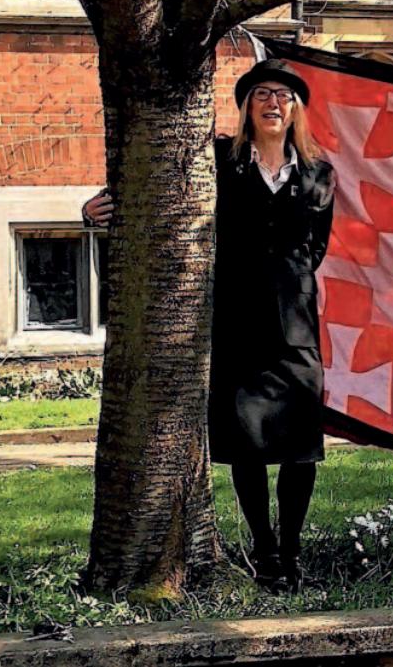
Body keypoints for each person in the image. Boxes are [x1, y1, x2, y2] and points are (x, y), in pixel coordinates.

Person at [84, 59, 335, 590]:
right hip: (235, 324)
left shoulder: (319, 173)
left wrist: (291, 285)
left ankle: (291, 552)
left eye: (284, 96)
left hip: (296, 330)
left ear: (296, 110)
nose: (273, 103)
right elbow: (166, 199)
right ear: (247, 106)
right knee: (247, 443)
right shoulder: (220, 160)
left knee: (298, 446)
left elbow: (315, 248)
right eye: (262, 94)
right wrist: (96, 210)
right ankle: (264, 551)